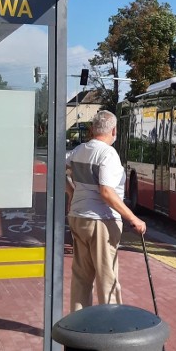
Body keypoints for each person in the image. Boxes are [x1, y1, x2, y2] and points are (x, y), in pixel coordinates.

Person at [65, 110, 147, 312]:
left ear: (92, 129)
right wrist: (133, 218)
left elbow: (59, 169)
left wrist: (72, 194)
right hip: (101, 220)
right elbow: (106, 192)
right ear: (114, 130)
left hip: (78, 216)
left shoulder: (79, 150)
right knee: (107, 278)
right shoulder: (108, 154)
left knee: (81, 278)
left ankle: (79, 325)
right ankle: (110, 328)